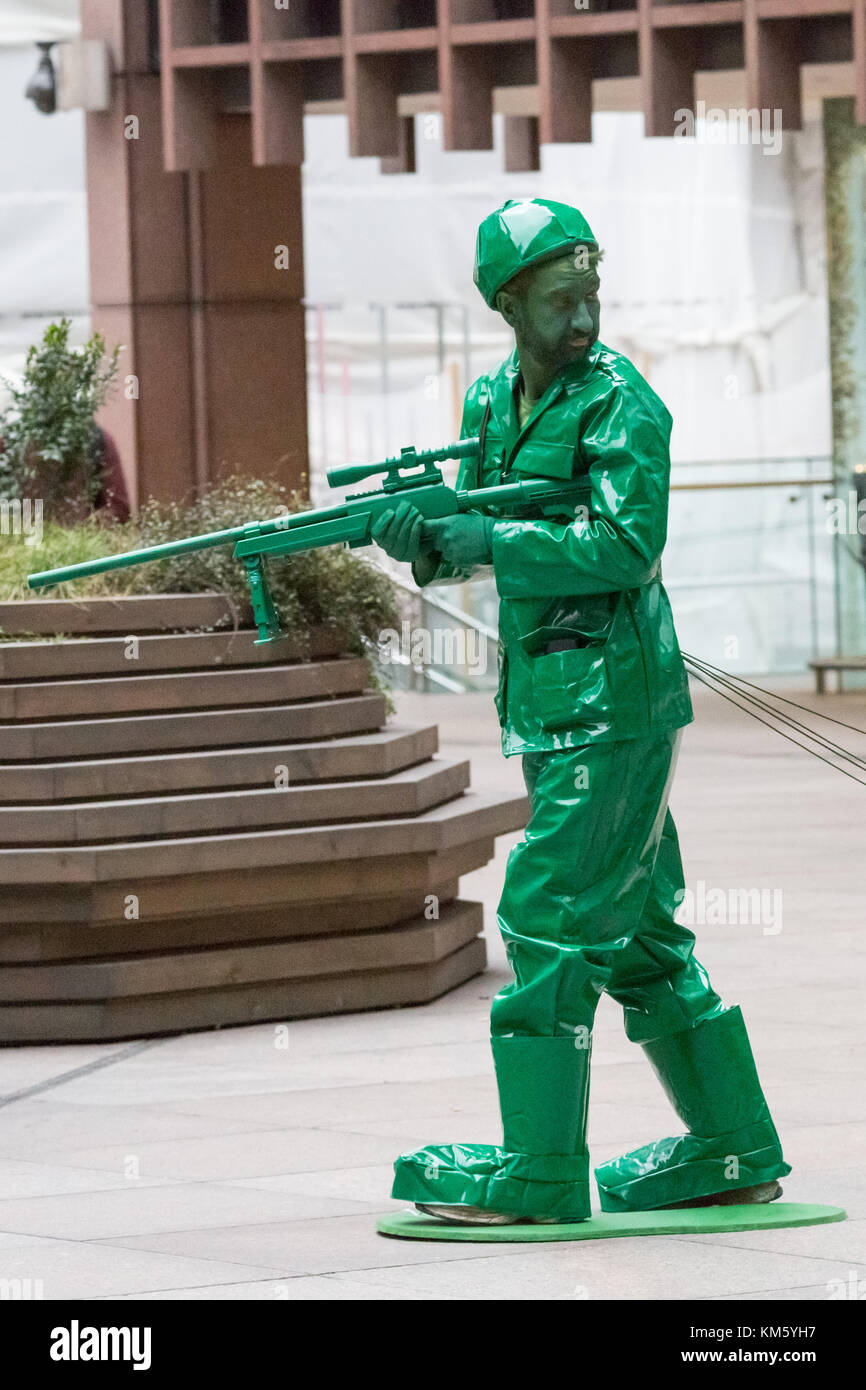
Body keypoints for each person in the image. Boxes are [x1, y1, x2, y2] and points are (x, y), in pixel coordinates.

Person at [372, 198, 790, 1226]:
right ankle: (732, 1143)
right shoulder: (487, 401)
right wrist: (422, 533)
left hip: (613, 707)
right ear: (505, 302)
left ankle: (540, 1170)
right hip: (551, 703)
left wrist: (482, 544)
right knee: (638, 935)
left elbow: (622, 546)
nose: (580, 315)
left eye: (589, 291)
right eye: (558, 297)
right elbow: (481, 518)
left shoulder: (620, 402)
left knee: (549, 920)